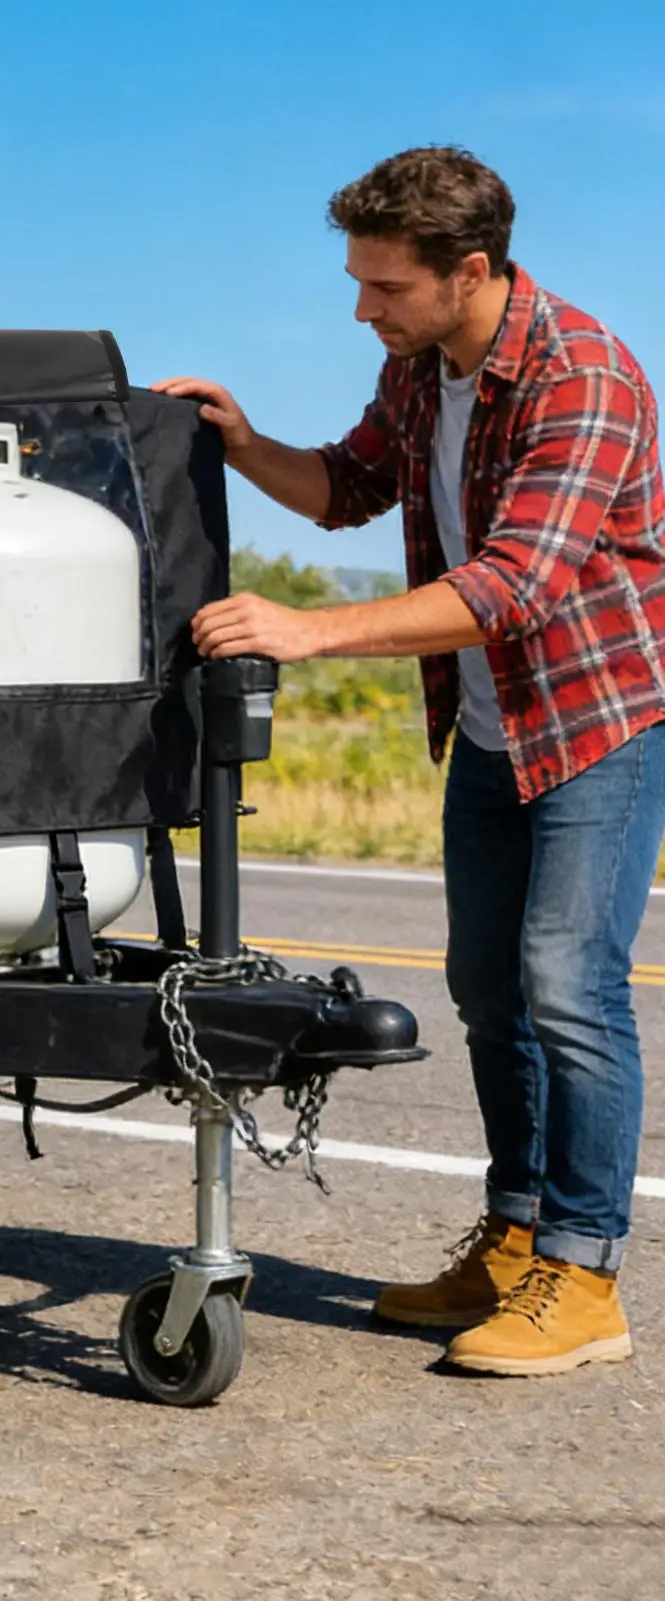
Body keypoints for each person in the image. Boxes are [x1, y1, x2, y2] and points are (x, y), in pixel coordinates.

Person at [157, 146, 665, 1377]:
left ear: (469, 270)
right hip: (491, 723)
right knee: (486, 990)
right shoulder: (422, 364)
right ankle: (512, 1241)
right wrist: (237, 438)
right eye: (357, 283)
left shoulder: (580, 375)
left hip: (594, 717)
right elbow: (347, 489)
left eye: (382, 287)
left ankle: (584, 1273)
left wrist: (304, 629)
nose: (359, 310)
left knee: (567, 985)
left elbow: (512, 584)